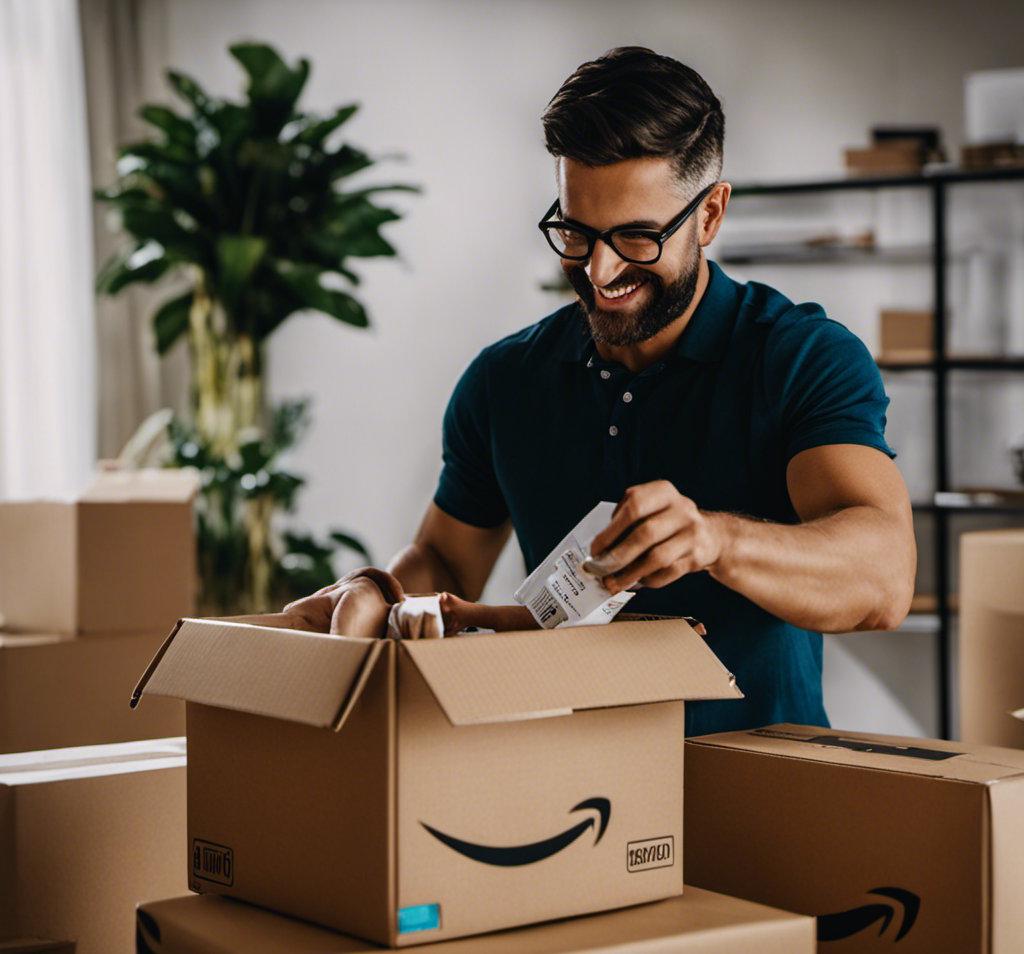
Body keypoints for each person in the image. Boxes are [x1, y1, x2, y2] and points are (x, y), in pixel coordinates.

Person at [285, 46, 916, 736]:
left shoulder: (800, 359)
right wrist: (380, 590)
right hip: (566, 789)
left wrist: (715, 540)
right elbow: (444, 561)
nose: (600, 269)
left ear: (710, 216)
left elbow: (883, 581)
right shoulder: (505, 381)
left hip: (759, 789)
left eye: (638, 237)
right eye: (576, 233)